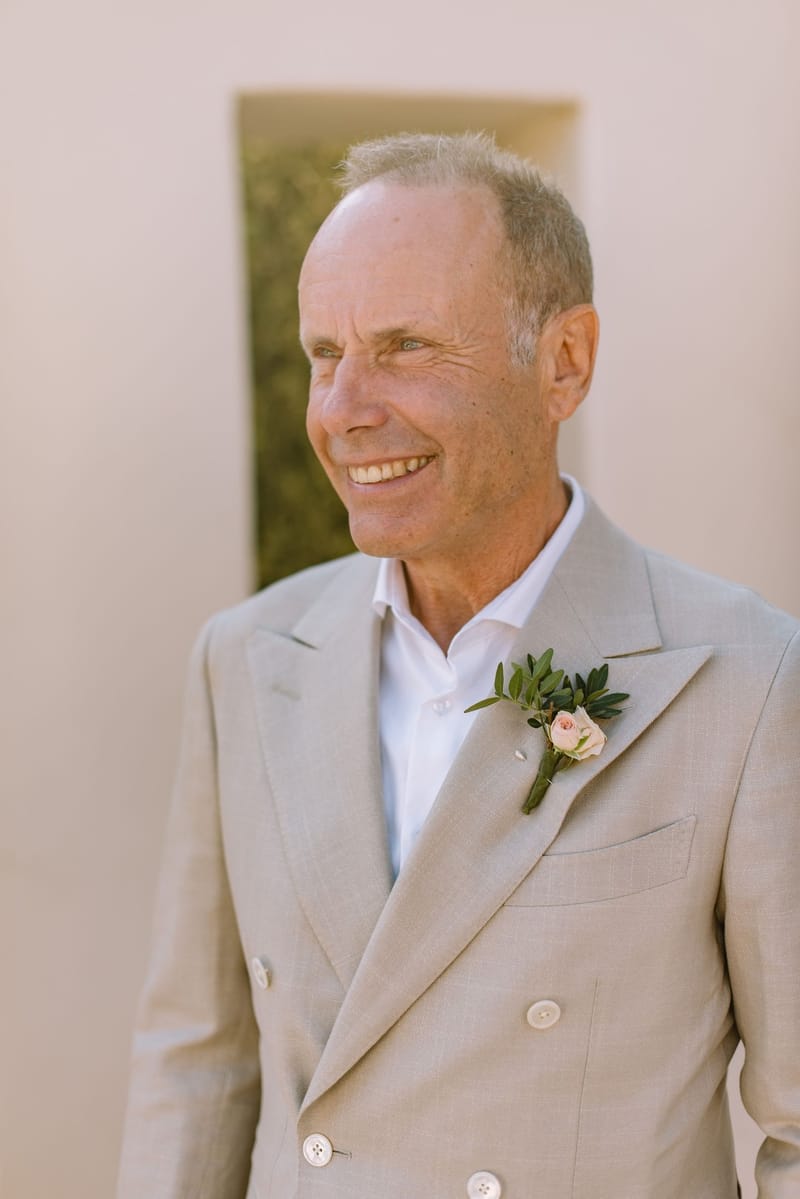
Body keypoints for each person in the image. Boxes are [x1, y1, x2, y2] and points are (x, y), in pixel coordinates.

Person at [117, 133, 800, 1199]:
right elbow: (195, 1069)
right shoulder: (245, 660)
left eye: (405, 346)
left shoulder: (749, 679)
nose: (343, 409)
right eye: (324, 353)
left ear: (563, 361)